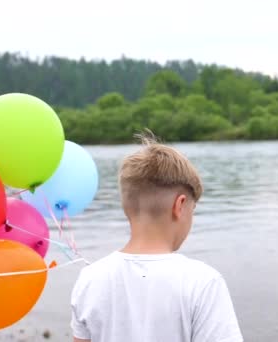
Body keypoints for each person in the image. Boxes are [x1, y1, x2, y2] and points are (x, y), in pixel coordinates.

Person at [70, 132, 243, 342]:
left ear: (127, 207)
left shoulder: (89, 279)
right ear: (179, 206)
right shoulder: (203, 282)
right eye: (193, 209)